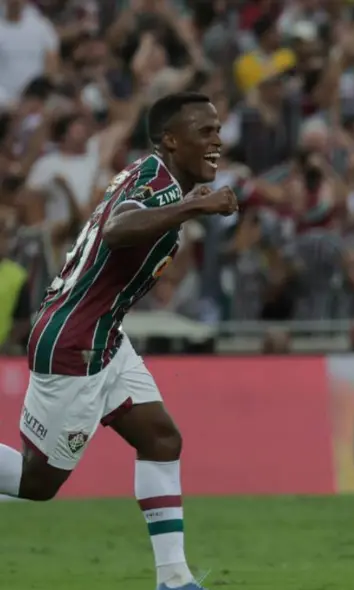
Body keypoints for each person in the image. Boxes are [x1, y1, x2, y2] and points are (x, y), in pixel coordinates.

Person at [0, 92, 238, 590]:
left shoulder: (156, 174)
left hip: (105, 334)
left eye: (218, 130)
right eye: (205, 132)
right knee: (36, 482)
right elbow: (115, 229)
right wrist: (191, 208)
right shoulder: (159, 188)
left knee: (160, 438)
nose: (217, 141)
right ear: (171, 141)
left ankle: (174, 579)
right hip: (77, 341)